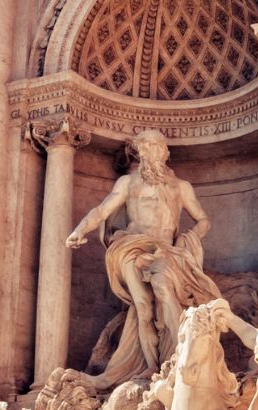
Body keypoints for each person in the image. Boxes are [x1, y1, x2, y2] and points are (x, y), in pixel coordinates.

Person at [66, 129, 222, 389]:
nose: (153, 151)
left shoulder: (181, 187)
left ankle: (181, 354)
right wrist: (80, 229)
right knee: (142, 305)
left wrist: (189, 237)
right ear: (140, 151)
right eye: (147, 146)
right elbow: (102, 210)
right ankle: (152, 365)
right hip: (131, 247)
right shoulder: (127, 183)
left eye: (158, 146)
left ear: (166, 152)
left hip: (165, 250)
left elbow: (203, 220)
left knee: (164, 291)